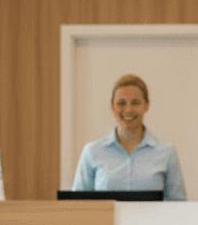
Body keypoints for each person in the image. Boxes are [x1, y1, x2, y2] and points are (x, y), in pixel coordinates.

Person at [71, 73, 187, 201]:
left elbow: (179, 205)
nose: (128, 110)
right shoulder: (92, 151)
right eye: (121, 103)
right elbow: (77, 206)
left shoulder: (167, 152)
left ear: (146, 106)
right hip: (105, 222)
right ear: (112, 107)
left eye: (135, 103)